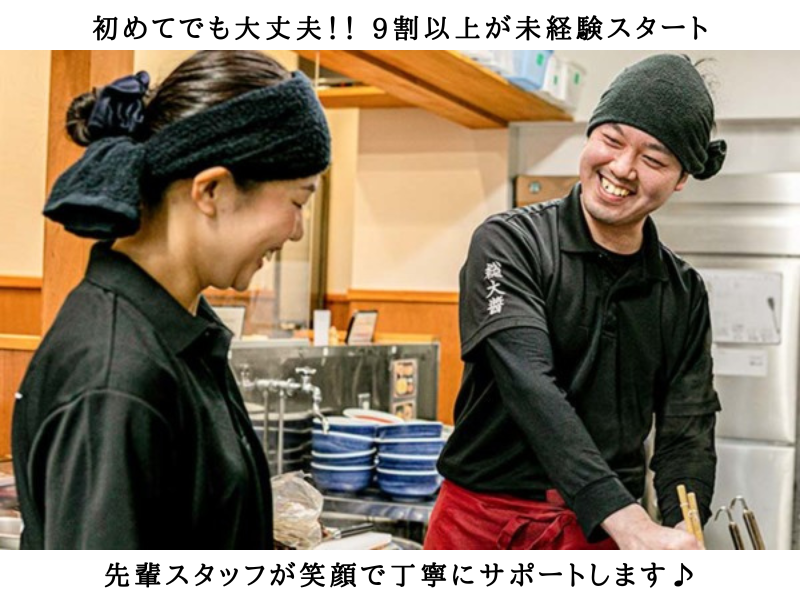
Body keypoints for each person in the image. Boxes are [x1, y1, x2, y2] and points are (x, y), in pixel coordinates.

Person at [11, 50, 331, 549]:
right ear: (211, 190)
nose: (297, 231)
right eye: (297, 202)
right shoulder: (117, 375)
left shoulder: (179, 332)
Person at [424, 54, 727, 550]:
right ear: (590, 137)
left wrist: (681, 531)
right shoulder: (509, 244)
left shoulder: (682, 292)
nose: (622, 168)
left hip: (601, 536)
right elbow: (530, 388)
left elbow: (687, 430)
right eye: (612, 140)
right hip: (483, 525)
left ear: (680, 178)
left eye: (653, 160)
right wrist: (630, 522)